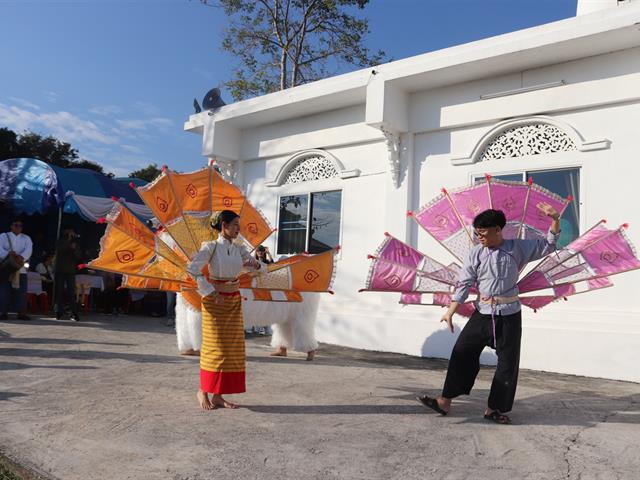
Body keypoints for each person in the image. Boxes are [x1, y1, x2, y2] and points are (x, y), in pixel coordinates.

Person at [417, 204, 561, 425]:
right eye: (476, 233)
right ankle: (444, 401)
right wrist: (450, 311)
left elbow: (548, 246)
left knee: (507, 363)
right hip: (483, 312)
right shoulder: (476, 252)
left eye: (483, 233)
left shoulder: (517, 248)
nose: (479, 237)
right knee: (462, 351)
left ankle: (494, 409)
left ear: (497, 229)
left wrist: (555, 220)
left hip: (510, 314)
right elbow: (464, 283)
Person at [186, 210, 261, 411]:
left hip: (233, 300)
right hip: (214, 302)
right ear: (223, 225)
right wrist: (210, 292)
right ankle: (203, 390)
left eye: (239, 224)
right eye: (235, 224)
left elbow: (258, 269)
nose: (238, 228)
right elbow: (192, 270)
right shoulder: (210, 247)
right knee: (215, 347)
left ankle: (218, 395)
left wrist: (256, 264)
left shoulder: (239, 249)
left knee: (230, 350)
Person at [0, 219, 33, 320]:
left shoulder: (26, 238)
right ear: (11, 226)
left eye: (20, 225)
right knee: (4, 290)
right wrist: (8, 254)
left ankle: (21, 313)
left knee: (21, 291)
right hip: (7, 268)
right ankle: (3, 312)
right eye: (16, 225)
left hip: (20, 268)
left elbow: (29, 249)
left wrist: (21, 257)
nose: (18, 227)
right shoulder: (3, 236)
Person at [54, 227, 83, 321]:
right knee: (59, 291)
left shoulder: (76, 243)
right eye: (68, 230)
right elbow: (59, 249)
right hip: (60, 270)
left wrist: (74, 249)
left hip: (70, 271)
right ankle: (59, 312)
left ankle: (74, 313)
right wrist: (68, 242)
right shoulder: (61, 240)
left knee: (71, 293)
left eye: (72, 231)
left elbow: (79, 256)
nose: (70, 232)